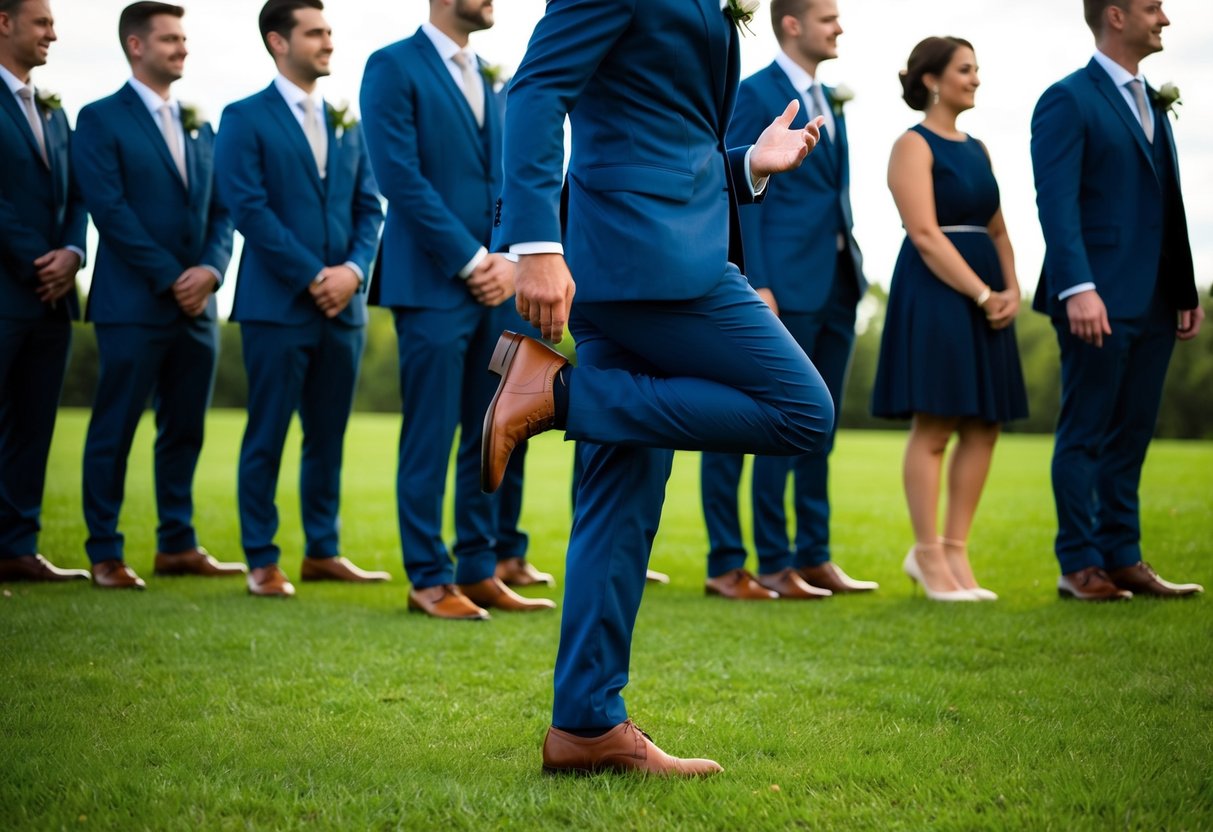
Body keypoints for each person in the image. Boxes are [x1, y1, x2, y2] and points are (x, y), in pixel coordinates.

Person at [482, 0, 833, 775]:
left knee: (620, 498)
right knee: (802, 411)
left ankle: (584, 725)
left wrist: (746, 165)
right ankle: (556, 395)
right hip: (652, 267)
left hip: (648, 250)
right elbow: (536, 91)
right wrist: (536, 246)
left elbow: (660, 128)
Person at [360, 0, 554, 619]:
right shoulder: (390, 66)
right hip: (431, 283)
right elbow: (399, 177)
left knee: (493, 425)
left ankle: (477, 567)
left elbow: (513, 178)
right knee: (430, 431)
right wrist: (471, 260)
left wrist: (509, 258)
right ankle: (427, 577)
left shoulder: (497, 77)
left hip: (501, 284)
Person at [701, 0, 876, 601]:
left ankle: (812, 556)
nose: (840, 26)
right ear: (792, 24)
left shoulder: (830, 99)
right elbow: (739, 183)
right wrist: (757, 279)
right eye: (828, 17)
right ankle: (740, 561)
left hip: (837, 281)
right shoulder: (755, 92)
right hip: (778, 285)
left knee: (817, 427)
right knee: (746, 421)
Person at [213, 0, 386, 598]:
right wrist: (316, 275)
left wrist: (355, 272)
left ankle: (324, 550)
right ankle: (261, 558)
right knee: (267, 433)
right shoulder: (243, 116)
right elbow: (247, 209)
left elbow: (371, 208)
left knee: (328, 435)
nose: (328, 42)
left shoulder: (348, 121)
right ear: (277, 42)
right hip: (276, 307)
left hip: (346, 310)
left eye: (330, 31)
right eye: (315, 33)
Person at [1031, 0, 1203, 601]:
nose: (1166, 19)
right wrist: (1079, 287)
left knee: (1133, 431)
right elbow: (1056, 201)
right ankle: (1078, 564)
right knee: (1086, 430)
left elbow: (1169, 201)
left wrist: (1183, 289)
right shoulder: (1066, 99)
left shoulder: (1153, 100)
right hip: (1095, 297)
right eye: (1154, 7)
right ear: (1116, 15)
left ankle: (1122, 556)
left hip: (1156, 299)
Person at [74, 1, 240, 590]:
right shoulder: (99, 119)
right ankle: (104, 551)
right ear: (136, 45)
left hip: (200, 307)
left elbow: (224, 208)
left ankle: (177, 543)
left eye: (184, 38)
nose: (183, 48)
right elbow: (109, 211)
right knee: (114, 429)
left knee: (185, 429)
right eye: (170, 39)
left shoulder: (202, 124)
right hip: (134, 305)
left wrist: (212, 272)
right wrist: (175, 277)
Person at [870, 36, 1027, 602]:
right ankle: (927, 554)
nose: (976, 78)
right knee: (935, 425)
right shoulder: (910, 145)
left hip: (988, 289)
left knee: (984, 425)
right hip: (937, 294)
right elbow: (926, 235)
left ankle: (958, 553)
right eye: (966, 69)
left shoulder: (980, 148)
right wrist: (983, 294)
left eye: (977, 69)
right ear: (933, 79)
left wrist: (1010, 289)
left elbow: (999, 229)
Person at [0, 0, 90, 584]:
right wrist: (39, 258)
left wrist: (74, 253)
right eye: (42, 22)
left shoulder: (55, 114)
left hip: (52, 298)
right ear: (3, 21)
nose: (53, 34)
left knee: (34, 425)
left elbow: (77, 196)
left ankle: (16, 546)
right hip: (7, 288)